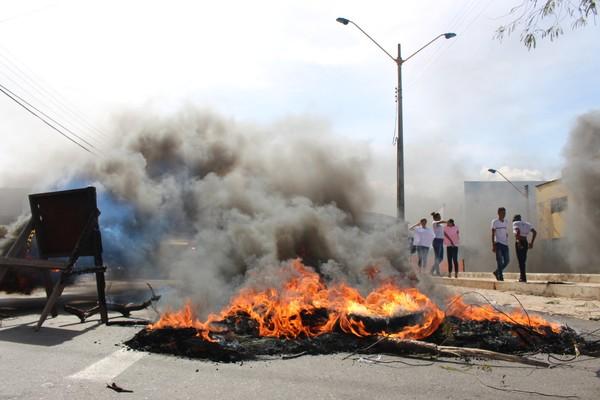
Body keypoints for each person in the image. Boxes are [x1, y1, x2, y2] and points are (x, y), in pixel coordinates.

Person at [512, 214, 537, 282]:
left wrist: (518, 242)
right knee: (523, 260)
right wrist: (531, 243)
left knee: (520, 261)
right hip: (525, 242)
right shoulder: (527, 224)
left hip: (519, 241)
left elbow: (517, 232)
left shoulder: (515, 223)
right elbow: (534, 232)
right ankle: (522, 276)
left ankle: (523, 278)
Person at [491, 207, 510, 281]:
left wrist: (506, 235)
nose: (504, 214)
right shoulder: (494, 222)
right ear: (498, 213)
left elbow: (505, 231)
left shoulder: (506, 221)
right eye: (502, 213)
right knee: (499, 261)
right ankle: (500, 276)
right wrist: (493, 245)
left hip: (505, 244)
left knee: (507, 261)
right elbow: (492, 233)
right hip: (498, 243)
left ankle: (497, 272)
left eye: (505, 213)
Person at [430, 212, 446, 276]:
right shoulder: (434, 223)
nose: (440, 217)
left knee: (441, 258)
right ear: (436, 217)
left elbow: (443, 233)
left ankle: (434, 270)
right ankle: (435, 271)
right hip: (436, 241)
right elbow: (440, 222)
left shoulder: (441, 225)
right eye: (439, 216)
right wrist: (446, 221)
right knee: (437, 258)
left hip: (441, 241)